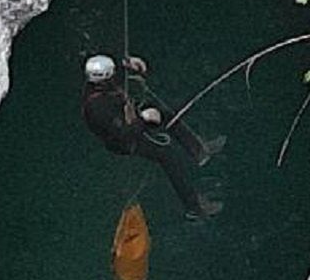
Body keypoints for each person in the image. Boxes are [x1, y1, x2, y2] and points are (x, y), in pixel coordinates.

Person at [81, 54, 225, 218]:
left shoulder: (101, 86)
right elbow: (123, 136)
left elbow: (118, 77)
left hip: (130, 122)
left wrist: (129, 65)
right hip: (126, 141)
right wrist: (144, 119)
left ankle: (198, 150)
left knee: (164, 113)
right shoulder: (98, 108)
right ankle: (194, 207)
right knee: (168, 156)